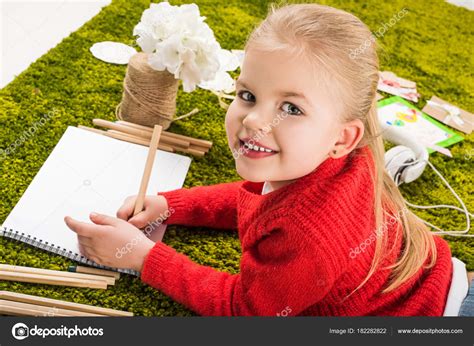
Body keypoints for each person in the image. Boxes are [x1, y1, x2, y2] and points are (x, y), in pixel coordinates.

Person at [64, 3, 471, 316]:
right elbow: (257, 195)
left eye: (291, 109)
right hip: (444, 279)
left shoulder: (307, 235)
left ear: (342, 139)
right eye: (248, 95)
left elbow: (246, 311)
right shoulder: (329, 160)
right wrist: (175, 205)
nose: (255, 120)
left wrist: (144, 257)